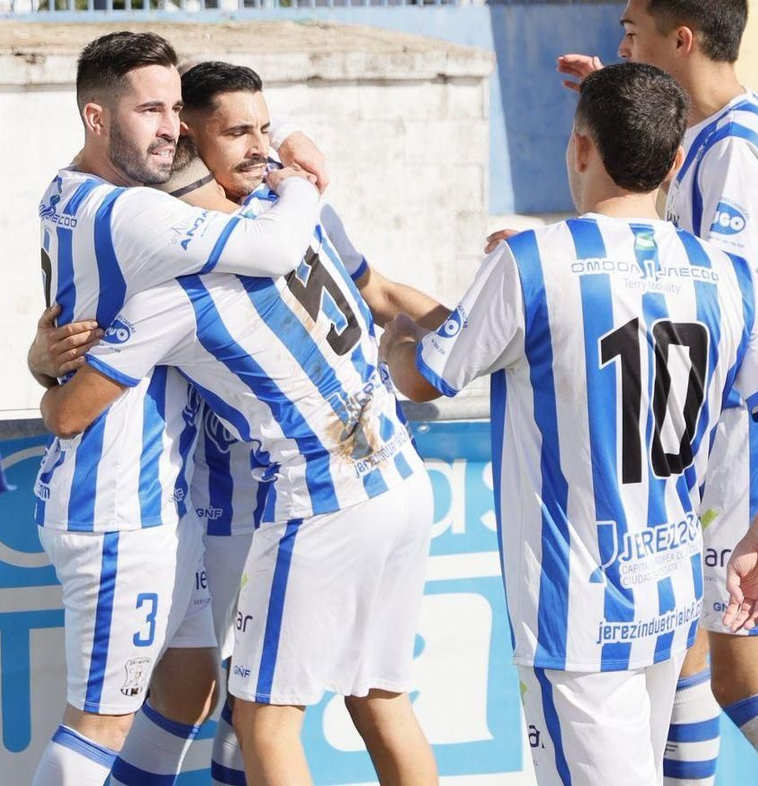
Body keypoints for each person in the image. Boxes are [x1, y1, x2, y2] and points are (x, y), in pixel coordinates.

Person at [380, 62, 758, 786]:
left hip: (577, 617)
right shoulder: (728, 274)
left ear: (580, 149)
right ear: (676, 161)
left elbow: (425, 374)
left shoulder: (532, 260)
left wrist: (394, 334)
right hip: (667, 597)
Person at [31, 59, 450, 785]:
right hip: (400, 481)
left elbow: (68, 413)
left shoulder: (182, 286)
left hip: (316, 506)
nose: (257, 144)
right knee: (378, 700)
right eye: (241, 135)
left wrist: (48, 377)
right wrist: (289, 148)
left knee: (261, 719)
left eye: (261, 131)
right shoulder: (298, 212)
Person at [555, 0, 758, 786]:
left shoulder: (737, 154)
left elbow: (710, 289)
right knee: (680, 651)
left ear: (679, 40)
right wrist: (619, 92)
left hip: (749, 438)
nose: (621, 40)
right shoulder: (723, 133)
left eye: (631, 30)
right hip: (714, 434)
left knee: (746, 679)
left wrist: (576, 258)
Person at [28, 31, 330, 786]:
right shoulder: (133, 216)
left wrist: (41, 364)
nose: (173, 127)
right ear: (97, 118)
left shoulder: (65, 193)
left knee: (194, 686)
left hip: (162, 494)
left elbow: (63, 345)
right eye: (151, 111)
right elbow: (275, 250)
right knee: (99, 724)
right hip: (118, 502)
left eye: (176, 110)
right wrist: (301, 175)